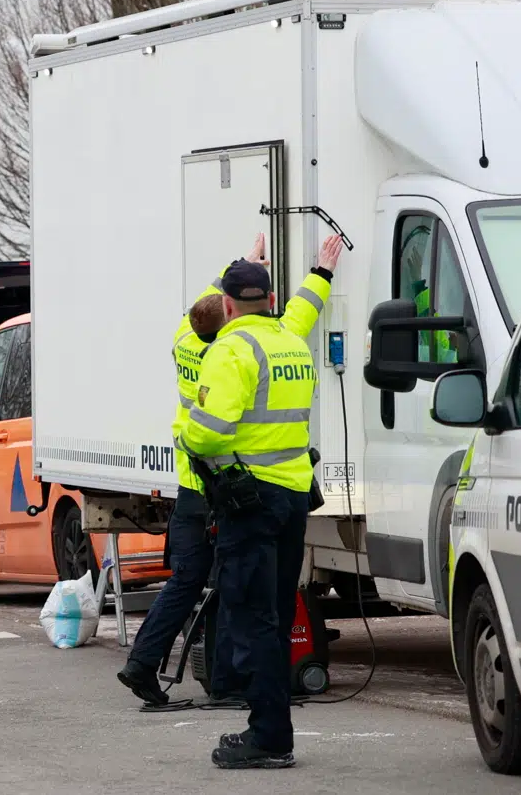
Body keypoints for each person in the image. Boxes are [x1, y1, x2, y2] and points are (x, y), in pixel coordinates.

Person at [178, 234, 345, 771]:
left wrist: (191, 436)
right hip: (293, 497)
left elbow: (206, 434)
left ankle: (269, 737)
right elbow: (303, 311)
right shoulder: (288, 341)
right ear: (270, 301)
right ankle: (272, 728)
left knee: (251, 618)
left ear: (228, 306)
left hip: (248, 502)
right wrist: (321, 272)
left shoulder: (231, 348)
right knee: (271, 612)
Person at [117, 234, 271, 707]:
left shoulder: (186, 338)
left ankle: (142, 665)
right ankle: (225, 681)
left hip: (188, 488)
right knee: (227, 584)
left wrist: (240, 263)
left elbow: (203, 307)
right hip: (217, 488)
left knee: (185, 583)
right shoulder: (227, 354)